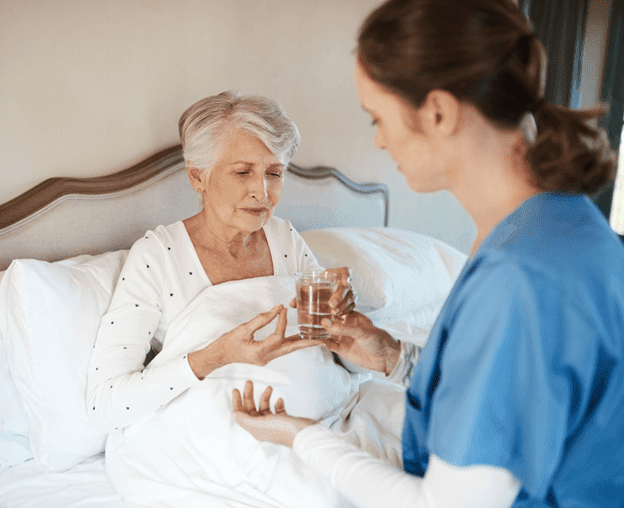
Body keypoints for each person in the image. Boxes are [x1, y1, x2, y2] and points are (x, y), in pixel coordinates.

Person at [232, 0, 624, 506]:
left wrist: (299, 434)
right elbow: (513, 393)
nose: (378, 140)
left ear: (437, 111)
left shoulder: (517, 280)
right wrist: (392, 357)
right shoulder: (562, 219)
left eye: (378, 117)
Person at [87, 91, 355, 432]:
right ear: (198, 176)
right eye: (243, 172)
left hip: (319, 419)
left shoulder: (285, 238)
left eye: (274, 173)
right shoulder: (158, 257)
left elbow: (332, 352)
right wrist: (217, 356)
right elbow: (104, 404)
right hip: (219, 431)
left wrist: (345, 322)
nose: (262, 191)